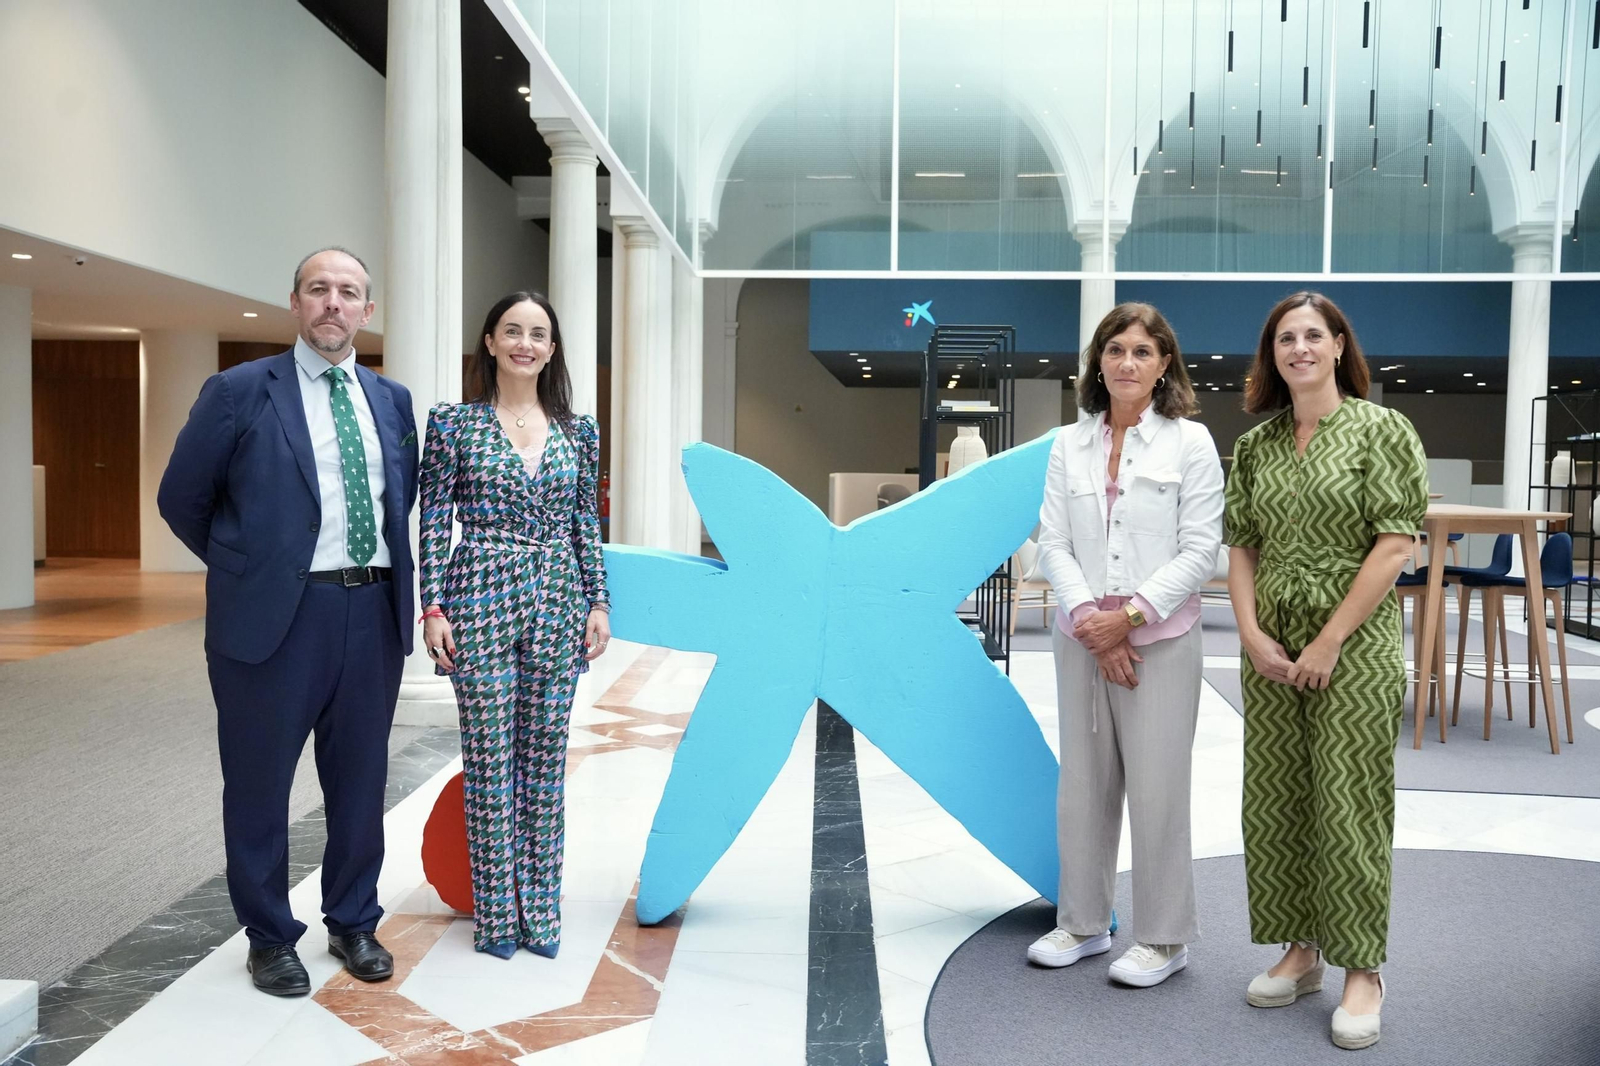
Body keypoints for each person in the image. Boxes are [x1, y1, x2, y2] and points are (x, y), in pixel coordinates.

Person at [158, 247, 419, 995]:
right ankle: (270, 936)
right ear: (297, 304)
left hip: (371, 612)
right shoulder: (240, 391)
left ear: (367, 311)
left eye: (349, 292)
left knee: (361, 779)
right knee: (259, 784)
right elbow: (182, 498)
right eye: (318, 290)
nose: (333, 303)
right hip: (274, 620)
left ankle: (353, 921)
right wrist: (250, 568)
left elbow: (397, 503)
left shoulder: (392, 400)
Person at [1224, 292, 1426, 1051]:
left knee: (1348, 802)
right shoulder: (1257, 446)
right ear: (1271, 354)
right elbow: (1242, 546)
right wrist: (1250, 634)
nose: (1299, 348)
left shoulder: (1382, 431)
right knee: (1278, 796)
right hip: (1272, 645)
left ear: (1340, 346)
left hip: (1355, 644)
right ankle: (1301, 951)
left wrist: (1331, 639)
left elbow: (1394, 543)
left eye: (1314, 335)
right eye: (1285, 338)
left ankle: (1363, 969)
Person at [1028, 303, 1223, 987]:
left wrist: (1130, 618)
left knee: (1158, 786)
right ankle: (1082, 923)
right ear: (1098, 362)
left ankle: (1165, 939)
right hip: (1082, 639)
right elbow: (1051, 542)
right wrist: (1093, 621)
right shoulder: (1065, 445)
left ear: (1165, 363)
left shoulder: (1189, 444)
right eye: (1115, 349)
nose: (1128, 362)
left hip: (1160, 642)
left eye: (1143, 351)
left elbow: (1202, 550)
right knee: (1082, 786)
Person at [417, 292, 610, 959]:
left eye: (538, 334)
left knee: (545, 762)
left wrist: (599, 601)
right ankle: (499, 918)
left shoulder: (578, 430)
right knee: (490, 759)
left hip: (558, 599)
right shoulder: (455, 425)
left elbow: (586, 519)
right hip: (479, 598)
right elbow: (434, 519)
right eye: (513, 332)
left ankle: (542, 913)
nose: (525, 343)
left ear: (551, 349)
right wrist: (432, 607)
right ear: (492, 342)